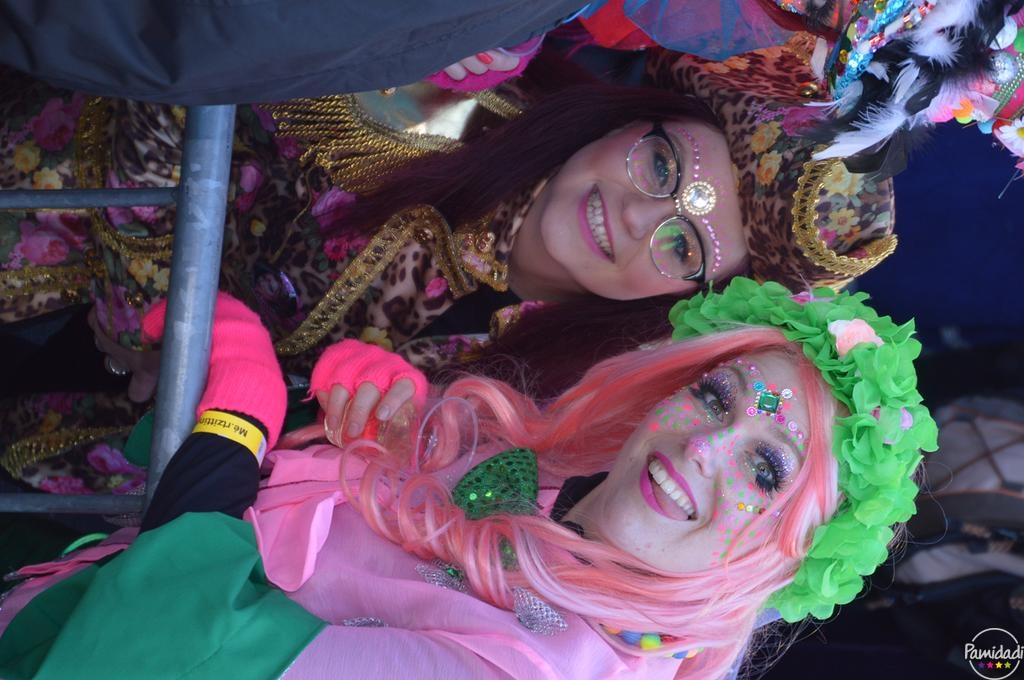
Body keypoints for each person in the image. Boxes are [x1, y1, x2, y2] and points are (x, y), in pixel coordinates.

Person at [0, 37, 896, 492]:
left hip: (67, 458)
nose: (633, 217)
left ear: (684, 299)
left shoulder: (551, 402)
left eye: (683, 246)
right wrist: (163, 312)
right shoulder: (440, 91)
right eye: (660, 167)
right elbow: (184, 87)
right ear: (635, 118)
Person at [0, 277, 938, 678]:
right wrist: (361, 436)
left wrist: (240, 418)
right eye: (717, 396)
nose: (707, 446)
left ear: (789, 554)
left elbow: (177, 658)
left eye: (767, 469)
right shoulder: (561, 490)